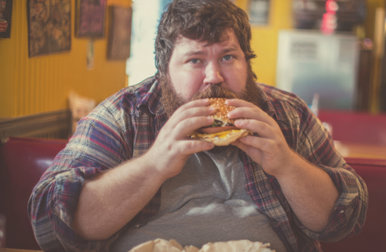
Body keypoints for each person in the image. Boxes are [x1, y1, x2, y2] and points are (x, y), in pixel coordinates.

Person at [28, 0, 368, 251]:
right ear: (164, 72)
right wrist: (153, 166)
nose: (214, 76)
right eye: (195, 60)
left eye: (228, 57)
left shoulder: (287, 114)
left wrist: (288, 166)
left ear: (248, 61)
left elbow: (347, 214)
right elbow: (48, 221)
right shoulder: (125, 115)